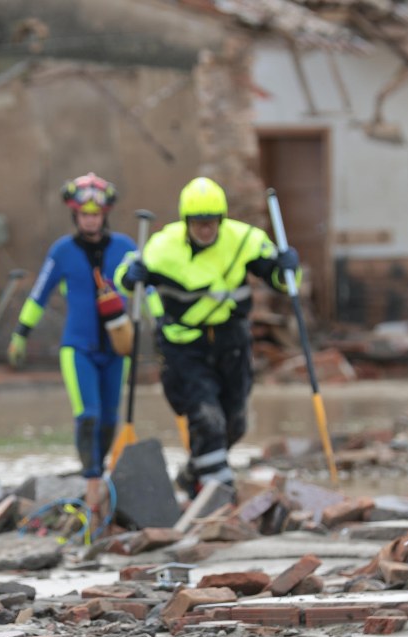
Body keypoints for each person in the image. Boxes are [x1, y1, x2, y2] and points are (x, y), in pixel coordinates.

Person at [117, 176, 299, 498]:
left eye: (212, 222)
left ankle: (192, 474)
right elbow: (125, 280)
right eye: (199, 223)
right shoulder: (162, 247)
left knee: (235, 423)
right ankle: (220, 494)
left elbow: (281, 281)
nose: (206, 229)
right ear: (187, 222)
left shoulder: (244, 240)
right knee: (206, 418)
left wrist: (286, 268)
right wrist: (131, 277)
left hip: (232, 342)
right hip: (184, 346)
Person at [6, 173, 136, 517]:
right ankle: (92, 483)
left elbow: (148, 293)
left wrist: (162, 324)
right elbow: (39, 294)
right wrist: (21, 333)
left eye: (96, 213)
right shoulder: (62, 251)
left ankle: (101, 471)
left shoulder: (126, 248)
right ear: (75, 215)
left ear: (105, 214)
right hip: (77, 348)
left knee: (110, 418)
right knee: (89, 415)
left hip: (116, 350)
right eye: (84, 214)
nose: (90, 219)